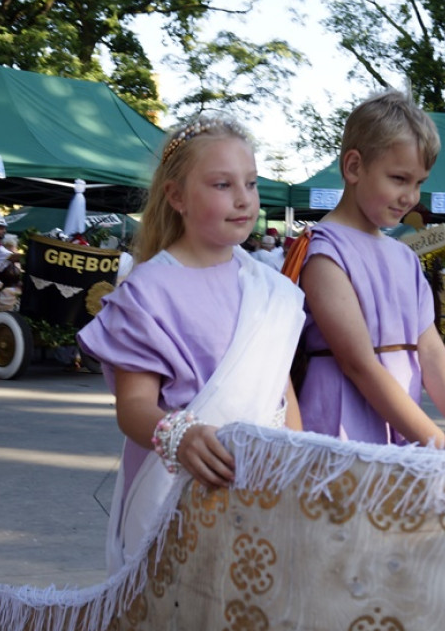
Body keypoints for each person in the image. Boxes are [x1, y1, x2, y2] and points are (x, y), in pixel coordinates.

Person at [77, 115, 304, 574]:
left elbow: (279, 390)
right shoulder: (149, 290)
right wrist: (179, 438)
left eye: (252, 183)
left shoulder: (268, 287)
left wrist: (298, 460)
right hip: (173, 490)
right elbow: (133, 406)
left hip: (259, 488)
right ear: (176, 196)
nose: (244, 199)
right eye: (223, 184)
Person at [296, 90, 445, 451]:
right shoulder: (324, 253)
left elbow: (430, 348)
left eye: (419, 182)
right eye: (399, 179)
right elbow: (360, 365)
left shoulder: (404, 258)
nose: (411, 197)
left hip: (400, 424)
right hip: (338, 428)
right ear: (354, 167)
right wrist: (436, 442)